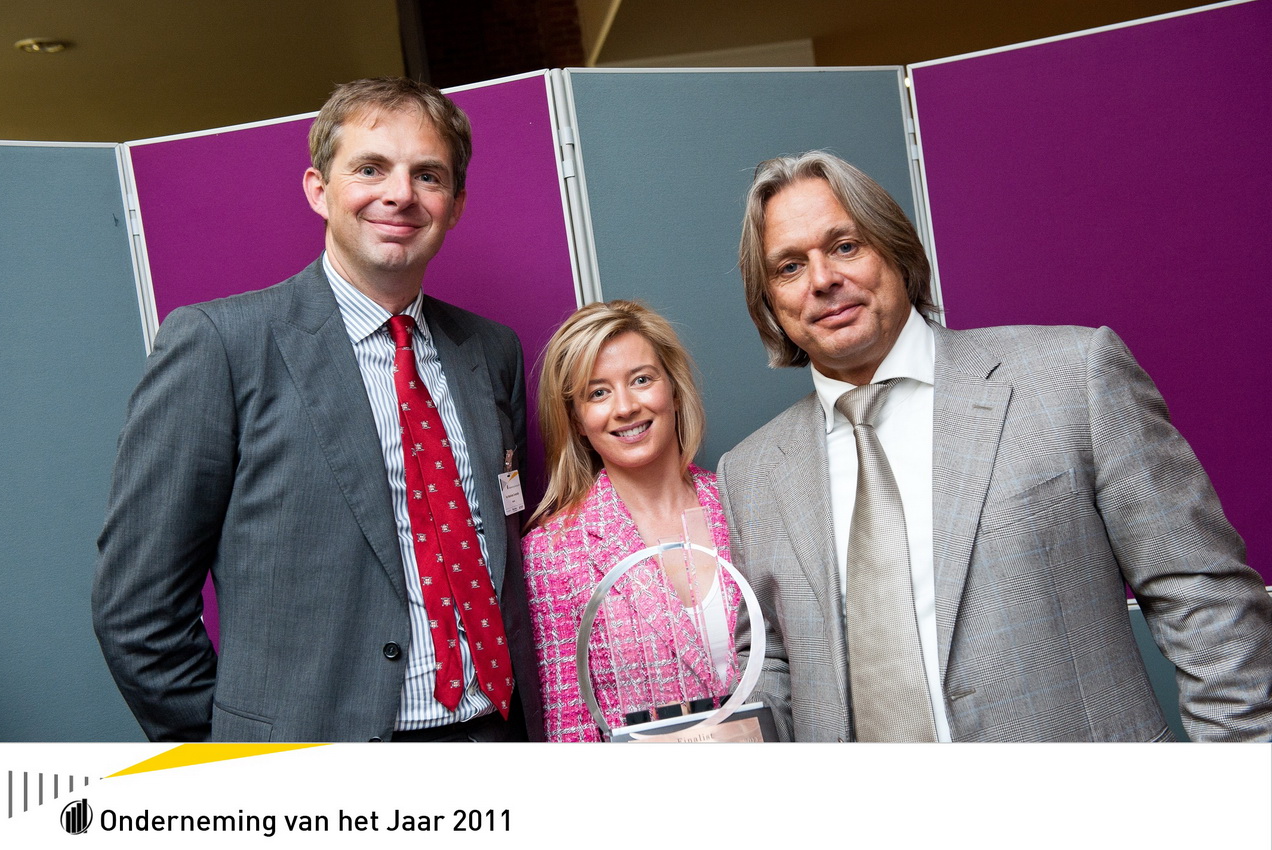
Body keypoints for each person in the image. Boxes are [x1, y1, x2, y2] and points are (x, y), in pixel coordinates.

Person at [718, 150, 1272, 742]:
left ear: (896, 250)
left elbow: (1204, 601)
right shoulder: (750, 473)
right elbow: (772, 667)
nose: (823, 279)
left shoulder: (1073, 377)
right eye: (789, 267)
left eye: (846, 245)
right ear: (768, 302)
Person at [92, 77, 542, 742]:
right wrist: (232, 762)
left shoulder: (490, 350)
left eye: (428, 175)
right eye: (370, 169)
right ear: (318, 189)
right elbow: (137, 608)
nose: (400, 194)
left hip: (494, 738)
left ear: (455, 205)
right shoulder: (222, 346)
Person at [523, 301, 739, 742]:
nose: (624, 407)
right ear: (577, 420)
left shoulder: (743, 502)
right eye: (597, 393)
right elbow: (571, 731)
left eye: (641, 379)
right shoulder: (553, 552)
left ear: (673, 389)